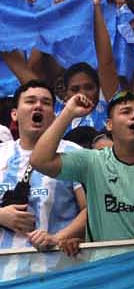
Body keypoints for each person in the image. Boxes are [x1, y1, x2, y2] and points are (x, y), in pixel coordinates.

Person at [31, 87, 134, 243]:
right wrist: (68, 112)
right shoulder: (92, 162)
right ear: (109, 125)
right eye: (126, 112)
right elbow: (40, 161)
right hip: (106, 258)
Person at [0, 81, 87, 253]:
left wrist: (57, 238)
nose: (38, 106)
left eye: (46, 103)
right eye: (30, 101)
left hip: (56, 265)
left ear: (54, 116)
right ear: (14, 114)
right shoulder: (2, 153)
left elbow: (92, 209)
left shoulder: (73, 153)